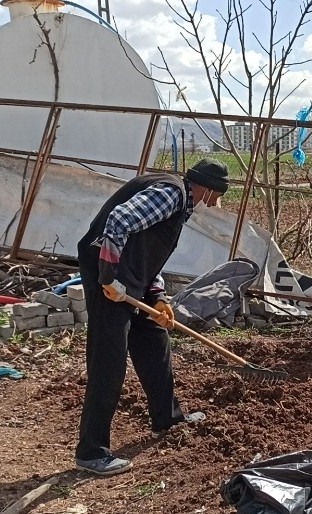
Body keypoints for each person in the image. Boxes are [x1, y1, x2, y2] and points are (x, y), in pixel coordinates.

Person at [75, 158, 230, 476]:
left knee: (155, 341)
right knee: (110, 362)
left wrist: (157, 297)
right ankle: (91, 452)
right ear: (207, 188)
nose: (214, 204)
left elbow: (148, 253)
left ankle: (168, 419)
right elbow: (119, 220)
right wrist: (107, 274)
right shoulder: (171, 194)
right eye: (215, 196)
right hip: (109, 281)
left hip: (129, 281)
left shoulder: (179, 201)